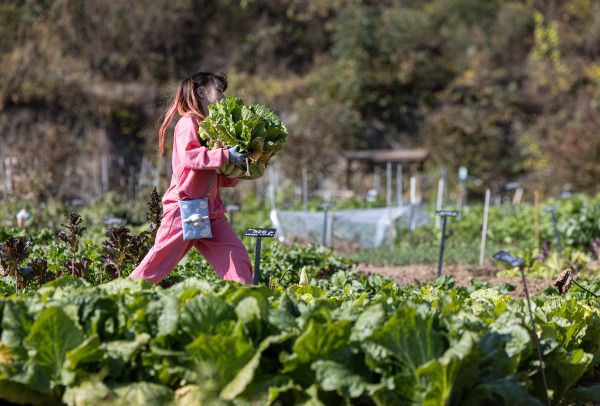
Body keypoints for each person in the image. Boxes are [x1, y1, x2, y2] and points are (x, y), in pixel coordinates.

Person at [129, 71, 253, 285]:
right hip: (185, 209)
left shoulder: (212, 129)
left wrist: (237, 167)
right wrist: (226, 155)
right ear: (202, 92)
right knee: (158, 263)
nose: (223, 97)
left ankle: (245, 299)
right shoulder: (188, 123)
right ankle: (122, 295)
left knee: (236, 257)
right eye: (220, 91)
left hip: (211, 211)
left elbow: (215, 174)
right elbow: (190, 156)